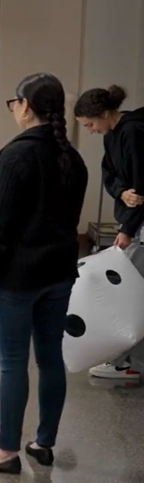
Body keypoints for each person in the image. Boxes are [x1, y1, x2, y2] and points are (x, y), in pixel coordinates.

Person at [0, 72, 88, 474]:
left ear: (25, 106)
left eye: (13, 103)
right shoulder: (72, 157)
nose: (13, 109)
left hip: (19, 277)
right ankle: (43, 443)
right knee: (50, 359)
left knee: (13, 362)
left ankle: (6, 451)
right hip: (59, 273)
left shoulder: (16, 156)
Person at [74, 84, 144, 380]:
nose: (90, 131)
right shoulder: (112, 135)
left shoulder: (134, 131)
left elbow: (141, 186)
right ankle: (127, 361)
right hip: (133, 222)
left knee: (132, 294)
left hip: (138, 224)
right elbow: (110, 174)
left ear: (104, 114)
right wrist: (121, 192)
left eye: (90, 124)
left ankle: (130, 363)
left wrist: (128, 228)